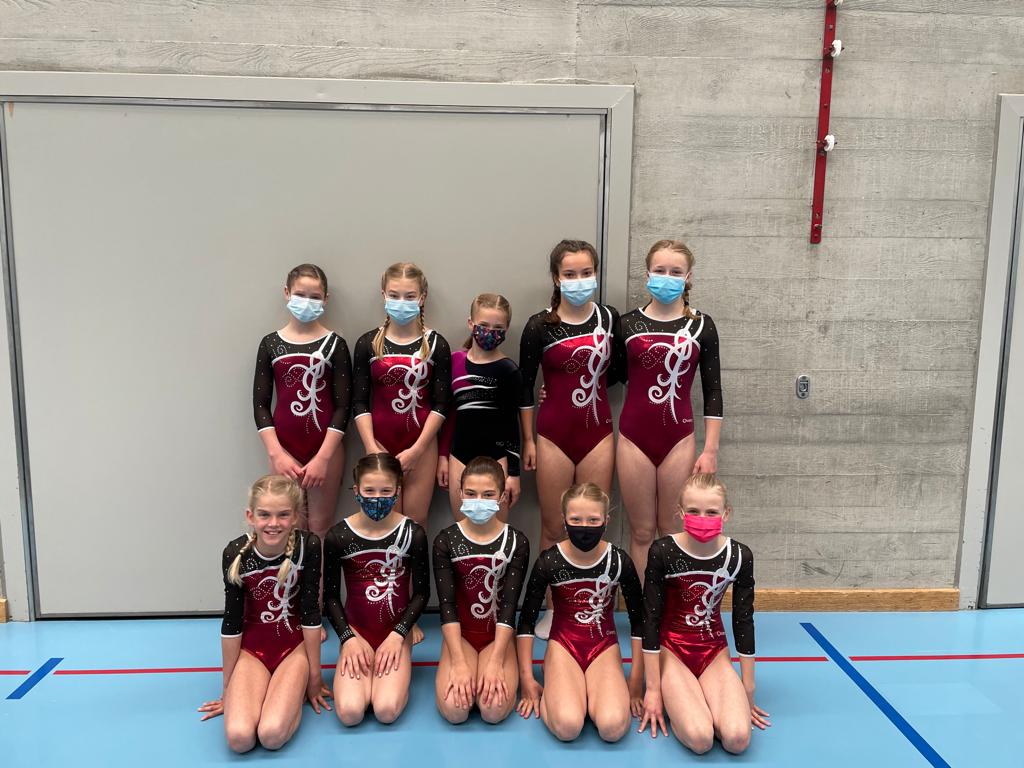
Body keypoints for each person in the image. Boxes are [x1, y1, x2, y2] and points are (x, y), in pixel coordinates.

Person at [519, 240, 619, 637]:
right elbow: (525, 388)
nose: (579, 280)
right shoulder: (539, 325)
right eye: (570, 274)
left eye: (586, 273)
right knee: (552, 526)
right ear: (556, 278)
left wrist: (578, 381)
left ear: (595, 274)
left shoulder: (609, 319)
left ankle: (591, 606)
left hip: (598, 435)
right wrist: (528, 440)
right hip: (553, 435)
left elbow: (620, 372)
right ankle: (552, 607)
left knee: (593, 523)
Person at [614, 240, 723, 579]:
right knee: (642, 531)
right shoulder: (627, 324)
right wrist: (553, 388)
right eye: (660, 270)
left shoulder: (702, 326)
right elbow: (608, 376)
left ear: (688, 277)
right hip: (633, 438)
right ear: (647, 274)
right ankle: (641, 606)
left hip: (679, 439)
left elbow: (713, 391)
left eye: (676, 272)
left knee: (672, 530)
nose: (667, 277)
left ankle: (670, 604)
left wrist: (710, 450)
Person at [638, 472, 769, 754]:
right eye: (694, 511)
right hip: (672, 652)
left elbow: (743, 621)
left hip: (713, 652)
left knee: (737, 739)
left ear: (726, 513)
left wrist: (747, 688)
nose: (703, 518)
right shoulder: (664, 551)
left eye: (711, 512)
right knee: (700, 739)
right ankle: (686, 699)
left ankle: (707, 702)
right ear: (680, 512)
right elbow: (650, 618)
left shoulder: (739, 556)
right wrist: (653, 689)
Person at [198, 475, 329, 752]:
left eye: (283, 515)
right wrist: (228, 689)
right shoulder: (236, 553)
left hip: (293, 649)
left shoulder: (308, 546)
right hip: (252, 652)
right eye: (264, 514)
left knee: (271, 735)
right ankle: (270, 691)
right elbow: (232, 622)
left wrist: (314, 678)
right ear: (251, 516)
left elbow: (310, 614)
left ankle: (292, 692)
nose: (273, 523)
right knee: (239, 739)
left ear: (295, 517)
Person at [516, 483, 644, 743]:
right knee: (568, 727)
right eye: (576, 519)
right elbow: (526, 621)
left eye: (593, 520)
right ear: (564, 520)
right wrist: (527, 679)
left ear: (606, 520)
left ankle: (585, 692)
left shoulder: (619, 561)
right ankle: (560, 685)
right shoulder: (549, 561)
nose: (584, 526)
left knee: (613, 728)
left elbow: (639, 622)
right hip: (563, 647)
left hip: (603, 647)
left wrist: (635, 681)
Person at [323, 453, 430, 725]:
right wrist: (347, 638)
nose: (377, 498)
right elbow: (331, 597)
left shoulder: (412, 534)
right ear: (356, 490)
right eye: (369, 491)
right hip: (357, 632)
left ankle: (395, 671)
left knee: (386, 710)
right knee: (350, 713)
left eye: (385, 491)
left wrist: (399, 635)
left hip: (396, 631)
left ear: (398, 491)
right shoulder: (339, 536)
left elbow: (422, 593)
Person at [253, 263, 352, 542]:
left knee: (320, 527)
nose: (307, 302)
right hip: (283, 450)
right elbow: (260, 404)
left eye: (315, 296)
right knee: (289, 528)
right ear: (286, 293)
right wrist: (276, 454)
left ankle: (319, 576)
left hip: (326, 450)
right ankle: (290, 575)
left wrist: (323, 457)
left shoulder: (335, 344)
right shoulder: (271, 343)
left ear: (326, 299)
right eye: (300, 294)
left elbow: (343, 406)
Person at [352, 262, 451, 527]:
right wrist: (371, 447)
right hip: (378, 442)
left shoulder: (436, 344)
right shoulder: (368, 343)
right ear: (383, 295)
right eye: (394, 295)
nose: (401, 302)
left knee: (416, 522)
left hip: (422, 444)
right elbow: (359, 402)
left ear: (422, 298)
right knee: (384, 522)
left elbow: (441, 404)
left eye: (409, 296)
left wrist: (417, 449)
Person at [433, 456, 530, 723]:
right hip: (461, 636)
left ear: (502, 497)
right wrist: (458, 662)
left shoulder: (516, 541)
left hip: (497, 636)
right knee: (455, 711)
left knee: (493, 711)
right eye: (471, 493)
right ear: (460, 493)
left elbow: (509, 607)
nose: (479, 501)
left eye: (488, 494)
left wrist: (497, 661)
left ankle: (499, 658)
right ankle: (457, 658)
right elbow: (447, 606)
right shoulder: (446, 540)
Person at [437, 293, 526, 520]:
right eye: (484, 325)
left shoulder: (508, 370)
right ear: (471, 323)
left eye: (498, 328)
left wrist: (514, 473)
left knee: (495, 531)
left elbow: (511, 424)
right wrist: (443, 456)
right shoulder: (455, 361)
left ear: (506, 330)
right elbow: (449, 415)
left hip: (497, 458)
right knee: (462, 530)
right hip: (459, 455)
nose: (490, 332)